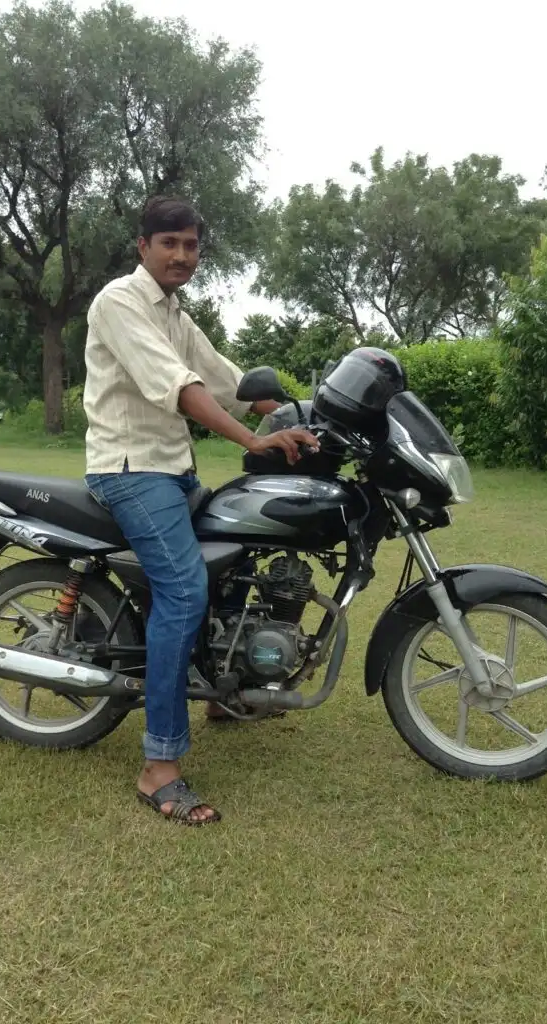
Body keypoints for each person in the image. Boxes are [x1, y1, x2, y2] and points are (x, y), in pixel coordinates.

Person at [83, 196, 317, 825]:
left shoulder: (176, 315)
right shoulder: (120, 303)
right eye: (170, 244)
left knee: (233, 562)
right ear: (144, 246)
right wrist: (252, 441)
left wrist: (301, 414)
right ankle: (159, 765)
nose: (182, 255)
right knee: (185, 589)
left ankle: (222, 694)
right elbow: (179, 388)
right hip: (130, 470)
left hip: (172, 471)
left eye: (190, 245)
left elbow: (225, 382)